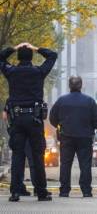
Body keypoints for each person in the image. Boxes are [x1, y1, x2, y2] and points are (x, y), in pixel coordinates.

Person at [0, 43, 57, 202]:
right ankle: (41, 192)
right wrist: (36, 48)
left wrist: (14, 47)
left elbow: (1, 57)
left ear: (18, 57)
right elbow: (53, 55)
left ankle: (15, 192)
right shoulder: (39, 72)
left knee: (17, 156)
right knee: (38, 156)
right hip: (34, 119)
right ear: (31, 57)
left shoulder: (11, 72)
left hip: (17, 119)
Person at [50, 76, 97, 197]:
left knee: (65, 164)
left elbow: (52, 118)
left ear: (69, 86)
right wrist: (91, 128)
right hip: (85, 137)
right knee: (85, 164)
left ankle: (64, 191)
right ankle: (86, 191)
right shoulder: (89, 101)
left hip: (66, 136)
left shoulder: (61, 101)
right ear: (81, 85)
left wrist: (60, 126)